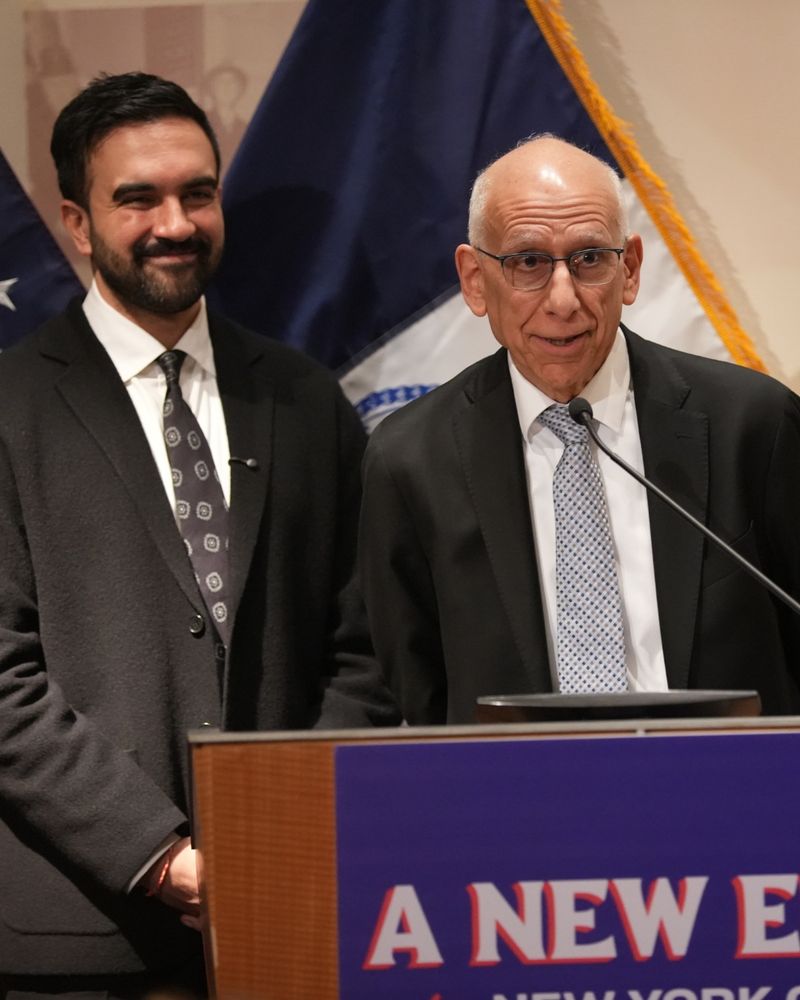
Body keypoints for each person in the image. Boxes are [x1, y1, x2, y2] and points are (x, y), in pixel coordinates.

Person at [0, 71, 398, 996]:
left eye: (197, 192)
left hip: (289, 916)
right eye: (136, 198)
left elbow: (364, 648)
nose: (174, 222)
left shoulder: (303, 398)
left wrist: (289, 829)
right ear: (75, 221)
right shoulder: (10, 406)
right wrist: (161, 854)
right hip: (77, 939)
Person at [359, 134, 800, 725]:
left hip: (723, 794)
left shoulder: (754, 424)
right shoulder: (409, 461)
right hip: (519, 802)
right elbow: (414, 687)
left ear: (631, 269)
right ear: (473, 279)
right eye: (528, 262)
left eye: (590, 258)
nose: (563, 300)